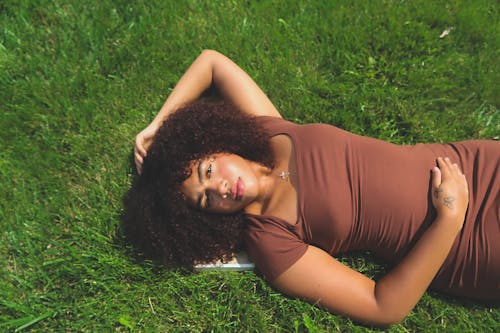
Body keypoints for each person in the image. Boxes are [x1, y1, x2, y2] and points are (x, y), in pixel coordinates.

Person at [124, 49, 499, 326]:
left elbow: (212, 63)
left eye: (208, 170)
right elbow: (383, 307)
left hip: (474, 164)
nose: (220, 189)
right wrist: (449, 217)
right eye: (206, 201)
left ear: (215, 144)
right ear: (208, 219)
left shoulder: (268, 130)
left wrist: (159, 127)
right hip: (468, 239)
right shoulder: (271, 241)